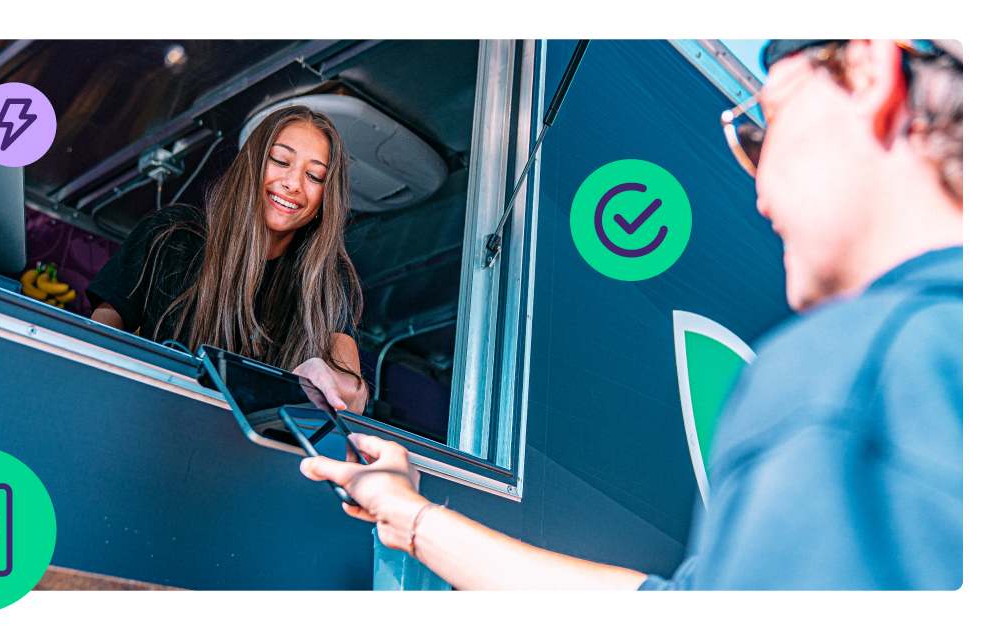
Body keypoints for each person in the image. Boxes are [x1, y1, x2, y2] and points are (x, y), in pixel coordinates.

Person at [298, 39, 963, 589]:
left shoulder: (863, 367)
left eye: (765, 125)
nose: (757, 187)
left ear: (874, 76)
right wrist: (408, 515)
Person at [86, 106, 368, 414]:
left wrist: (323, 375)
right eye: (280, 160)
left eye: (314, 176)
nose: (293, 184)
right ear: (252, 163)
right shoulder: (172, 234)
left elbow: (354, 395)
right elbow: (97, 342)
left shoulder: (325, 279)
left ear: (325, 198)